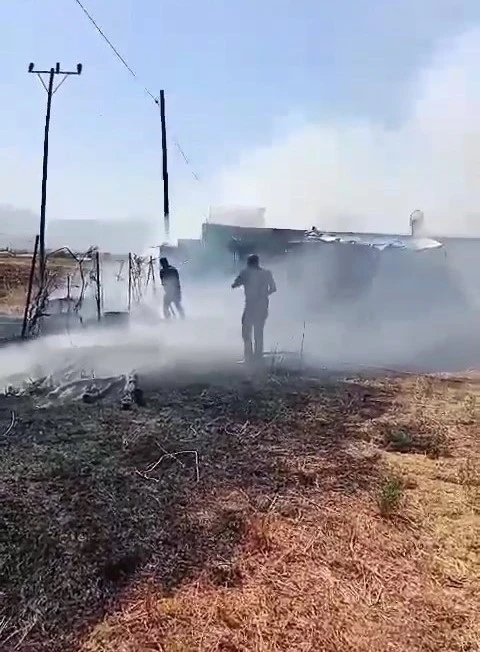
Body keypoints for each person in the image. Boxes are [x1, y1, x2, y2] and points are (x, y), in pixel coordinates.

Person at [232, 253, 276, 363]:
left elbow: (235, 284)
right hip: (262, 304)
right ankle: (258, 356)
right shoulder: (266, 273)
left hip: (251, 305)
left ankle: (248, 357)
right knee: (258, 332)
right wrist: (263, 294)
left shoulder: (246, 273)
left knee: (246, 331)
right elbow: (273, 288)